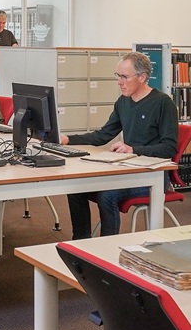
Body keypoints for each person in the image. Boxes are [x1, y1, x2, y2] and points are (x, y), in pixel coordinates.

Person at [58, 51, 178, 239]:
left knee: (107, 195)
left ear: (142, 77)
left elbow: (169, 148)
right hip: (127, 169)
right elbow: (102, 135)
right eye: (118, 76)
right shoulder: (123, 102)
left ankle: (107, 247)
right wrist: (68, 140)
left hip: (153, 175)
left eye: (124, 77)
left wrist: (133, 149)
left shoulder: (163, 103)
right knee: (75, 188)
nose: (119, 82)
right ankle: (80, 243)